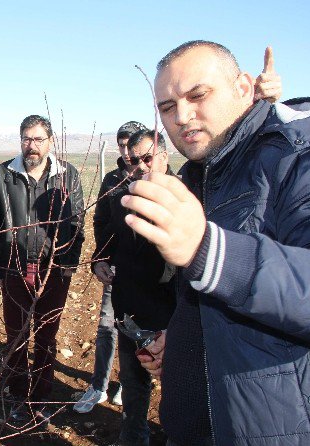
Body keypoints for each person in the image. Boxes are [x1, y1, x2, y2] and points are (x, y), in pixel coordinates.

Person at [123, 41, 310, 445]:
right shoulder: (200, 174)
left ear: (244, 88)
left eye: (198, 95)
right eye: (168, 107)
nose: (183, 116)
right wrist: (183, 338)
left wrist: (208, 249)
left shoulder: (296, 157)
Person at [0, 114, 85, 423]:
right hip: (14, 268)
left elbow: (77, 223)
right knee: (15, 337)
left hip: (53, 271)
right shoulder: (4, 174)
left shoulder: (68, 175)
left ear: (50, 142)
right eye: (27, 139)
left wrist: (67, 262)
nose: (32, 146)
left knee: (45, 337)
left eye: (39, 139)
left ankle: (40, 399)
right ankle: (17, 396)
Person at [82, 130, 177, 445]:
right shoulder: (125, 197)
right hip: (130, 310)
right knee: (134, 387)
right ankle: (134, 437)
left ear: (163, 157)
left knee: (179, 392)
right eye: (132, 160)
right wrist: (98, 261)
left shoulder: (185, 197)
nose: (138, 166)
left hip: (172, 316)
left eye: (146, 158)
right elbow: (107, 237)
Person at [73, 120, 147, 414]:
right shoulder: (111, 180)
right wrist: (98, 259)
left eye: (131, 144)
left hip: (147, 275)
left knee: (140, 330)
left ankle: (130, 386)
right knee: (107, 328)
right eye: (121, 144)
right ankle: (99, 386)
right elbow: (101, 223)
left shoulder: (156, 178)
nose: (126, 150)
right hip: (115, 270)